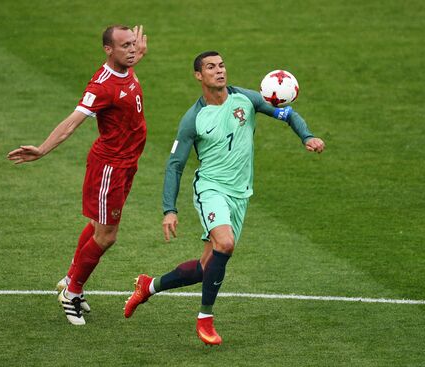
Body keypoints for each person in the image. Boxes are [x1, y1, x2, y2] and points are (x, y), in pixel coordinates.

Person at [123, 51, 325, 345]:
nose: (219, 71)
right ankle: (205, 318)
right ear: (198, 76)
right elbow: (175, 165)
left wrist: (306, 136)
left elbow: (288, 114)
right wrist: (170, 209)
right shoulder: (193, 118)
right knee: (226, 244)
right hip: (211, 189)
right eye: (210, 67)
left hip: (240, 194)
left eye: (221, 65)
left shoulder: (248, 99)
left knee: (207, 267)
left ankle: (149, 286)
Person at [7, 25, 148, 326]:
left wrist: (138, 53)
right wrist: (43, 149)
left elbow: (129, 72)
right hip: (109, 167)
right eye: (125, 46)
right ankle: (72, 292)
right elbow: (72, 123)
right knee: (107, 236)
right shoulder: (101, 86)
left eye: (134, 44)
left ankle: (70, 279)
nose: (132, 50)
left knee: (98, 225)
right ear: (108, 50)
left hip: (126, 164)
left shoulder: (127, 69)